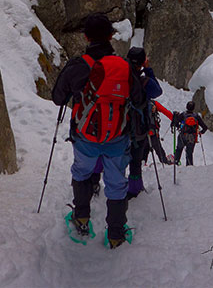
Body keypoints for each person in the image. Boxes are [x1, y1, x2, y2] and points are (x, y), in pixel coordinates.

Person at [52, 13, 144, 249]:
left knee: (82, 173)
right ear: (112, 36)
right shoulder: (124, 67)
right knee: (116, 183)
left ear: (86, 37)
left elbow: (58, 97)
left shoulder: (77, 66)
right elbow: (139, 100)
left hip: (85, 137)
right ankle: (115, 234)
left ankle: (81, 219)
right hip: (117, 137)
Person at [126, 46, 163, 198]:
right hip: (137, 129)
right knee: (135, 161)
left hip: (116, 127)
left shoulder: (118, 77)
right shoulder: (144, 82)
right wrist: (148, 69)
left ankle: (104, 185)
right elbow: (157, 91)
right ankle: (134, 189)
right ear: (142, 63)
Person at [172, 101, 208, 166]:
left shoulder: (183, 114)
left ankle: (176, 163)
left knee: (179, 150)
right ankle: (189, 167)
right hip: (192, 137)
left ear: (186, 107)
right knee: (189, 153)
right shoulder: (196, 116)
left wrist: (179, 126)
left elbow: (175, 123)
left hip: (182, 135)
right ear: (194, 108)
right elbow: (205, 127)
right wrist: (200, 132)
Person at [144, 101, 174, 165]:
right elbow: (165, 111)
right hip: (153, 131)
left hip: (141, 132)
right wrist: (174, 119)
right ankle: (164, 162)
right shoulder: (153, 103)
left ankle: (142, 163)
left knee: (144, 149)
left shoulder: (137, 101)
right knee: (158, 148)